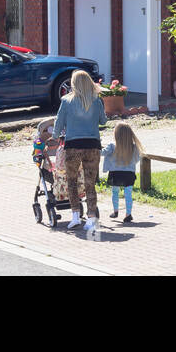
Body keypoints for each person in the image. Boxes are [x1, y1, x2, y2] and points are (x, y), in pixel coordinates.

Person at [53, 69, 106, 231]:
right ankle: (91, 217)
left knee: (72, 181)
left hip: (73, 145)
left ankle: (75, 215)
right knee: (90, 183)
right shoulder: (96, 101)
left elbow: (58, 123)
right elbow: (103, 121)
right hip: (92, 145)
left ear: (74, 84)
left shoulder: (66, 101)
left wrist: (55, 136)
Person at [102, 122, 142, 223]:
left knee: (115, 192)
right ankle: (128, 214)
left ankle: (115, 211)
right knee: (128, 194)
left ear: (116, 134)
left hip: (116, 174)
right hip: (129, 174)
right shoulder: (134, 147)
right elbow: (137, 159)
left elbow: (102, 152)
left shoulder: (112, 146)